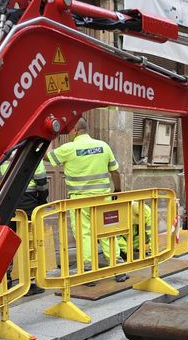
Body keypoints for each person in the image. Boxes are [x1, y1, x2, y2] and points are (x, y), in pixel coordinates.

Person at [47, 116, 128, 283]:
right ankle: (118, 269)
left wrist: (47, 137)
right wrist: (117, 190)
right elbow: (115, 172)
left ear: (76, 130)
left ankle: (89, 272)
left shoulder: (68, 148)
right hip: (103, 199)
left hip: (79, 202)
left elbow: (47, 157)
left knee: (84, 234)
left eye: (69, 130)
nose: (68, 134)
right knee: (108, 232)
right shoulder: (103, 146)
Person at [0, 156, 49, 296]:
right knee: (28, 243)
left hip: (4, 203)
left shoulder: (1, 155)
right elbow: (42, 183)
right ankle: (29, 282)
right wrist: (42, 201)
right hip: (28, 203)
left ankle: (2, 282)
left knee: (4, 243)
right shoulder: (33, 154)